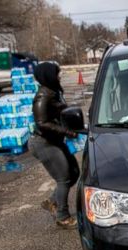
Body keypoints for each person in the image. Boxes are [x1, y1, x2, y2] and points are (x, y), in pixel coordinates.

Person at [30, 61, 80, 228]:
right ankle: (62, 216)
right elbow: (42, 123)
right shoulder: (43, 96)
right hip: (44, 143)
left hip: (55, 140)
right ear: (48, 75)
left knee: (74, 173)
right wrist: (67, 132)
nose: (59, 76)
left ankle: (52, 201)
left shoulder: (53, 92)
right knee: (64, 178)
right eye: (57, 73)